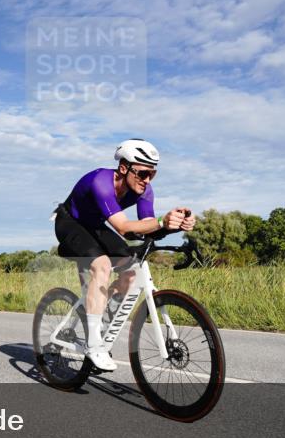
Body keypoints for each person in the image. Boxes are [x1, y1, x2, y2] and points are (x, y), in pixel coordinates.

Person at [54, 139, 196, 371]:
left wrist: (174, 225)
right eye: (142, 173)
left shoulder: (145, 190)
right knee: (101, 266)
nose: (147, 180)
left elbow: (146, 225)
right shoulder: (101, 182)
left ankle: (100, 322)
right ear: (123, 168)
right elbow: (123, 227)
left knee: (130, 270)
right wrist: (162, 221)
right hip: (70, 222)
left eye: (153, 174)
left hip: (96, 226)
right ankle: (93, 345)